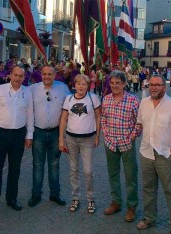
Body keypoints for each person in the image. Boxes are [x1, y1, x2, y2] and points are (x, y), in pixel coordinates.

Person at [137, 75, 171, 234]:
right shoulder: (143, 104)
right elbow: (140, 125)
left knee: (170, 192)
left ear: (164, 87)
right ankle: (149, 218)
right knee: (148, 189)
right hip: (146, 153)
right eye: (151, 85)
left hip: (164, 155)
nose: (154, 88)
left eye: (158, 85)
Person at [0, 66, 34, 213]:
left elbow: (30, 115)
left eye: (21, 76)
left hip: (18, 134)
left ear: (24, 78)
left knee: (15, 169)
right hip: (0, 133)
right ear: (10, 75)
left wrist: (29, 135)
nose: (17, 78)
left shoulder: (27, 92)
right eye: (15, 75)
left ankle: (11, 198)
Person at [101, 70, 141, 222]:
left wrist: (132, 137)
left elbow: (139, 122)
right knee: (113, 175)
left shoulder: (133, 100)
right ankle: (116, 202)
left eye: (118, 83)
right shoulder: (106, 100)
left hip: (127, 144)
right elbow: (103, 119)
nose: (114, 86)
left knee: (131, 176)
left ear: (124, 84)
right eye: (112, 83)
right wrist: (105, 134)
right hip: (110, 143)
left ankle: (131, 206)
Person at [28, 65, 70, 208]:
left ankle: (54, 194)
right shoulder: (32, 89)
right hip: (38, 132)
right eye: (44, 74)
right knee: (38, 165)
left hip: (55, 133)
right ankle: (36, 194)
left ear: (54, 75)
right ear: (41, 74)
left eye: (50, 74)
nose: (47, 77)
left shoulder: (63, 88)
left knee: (54, 165)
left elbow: (69, 108)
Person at [59, 74, 101, 213]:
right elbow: (64, 119)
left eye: (84, 84)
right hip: (71, 139)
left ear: (88, 86)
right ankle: (75, 197)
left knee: (88, 171)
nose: (81, 86)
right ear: (74, 85)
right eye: (78, 84)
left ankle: (90, 199)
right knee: (73, 170)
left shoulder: (93, 98)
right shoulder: (68, 99)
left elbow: (98, 116)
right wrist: (61, 138)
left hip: (87, 139)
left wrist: (97, 135)